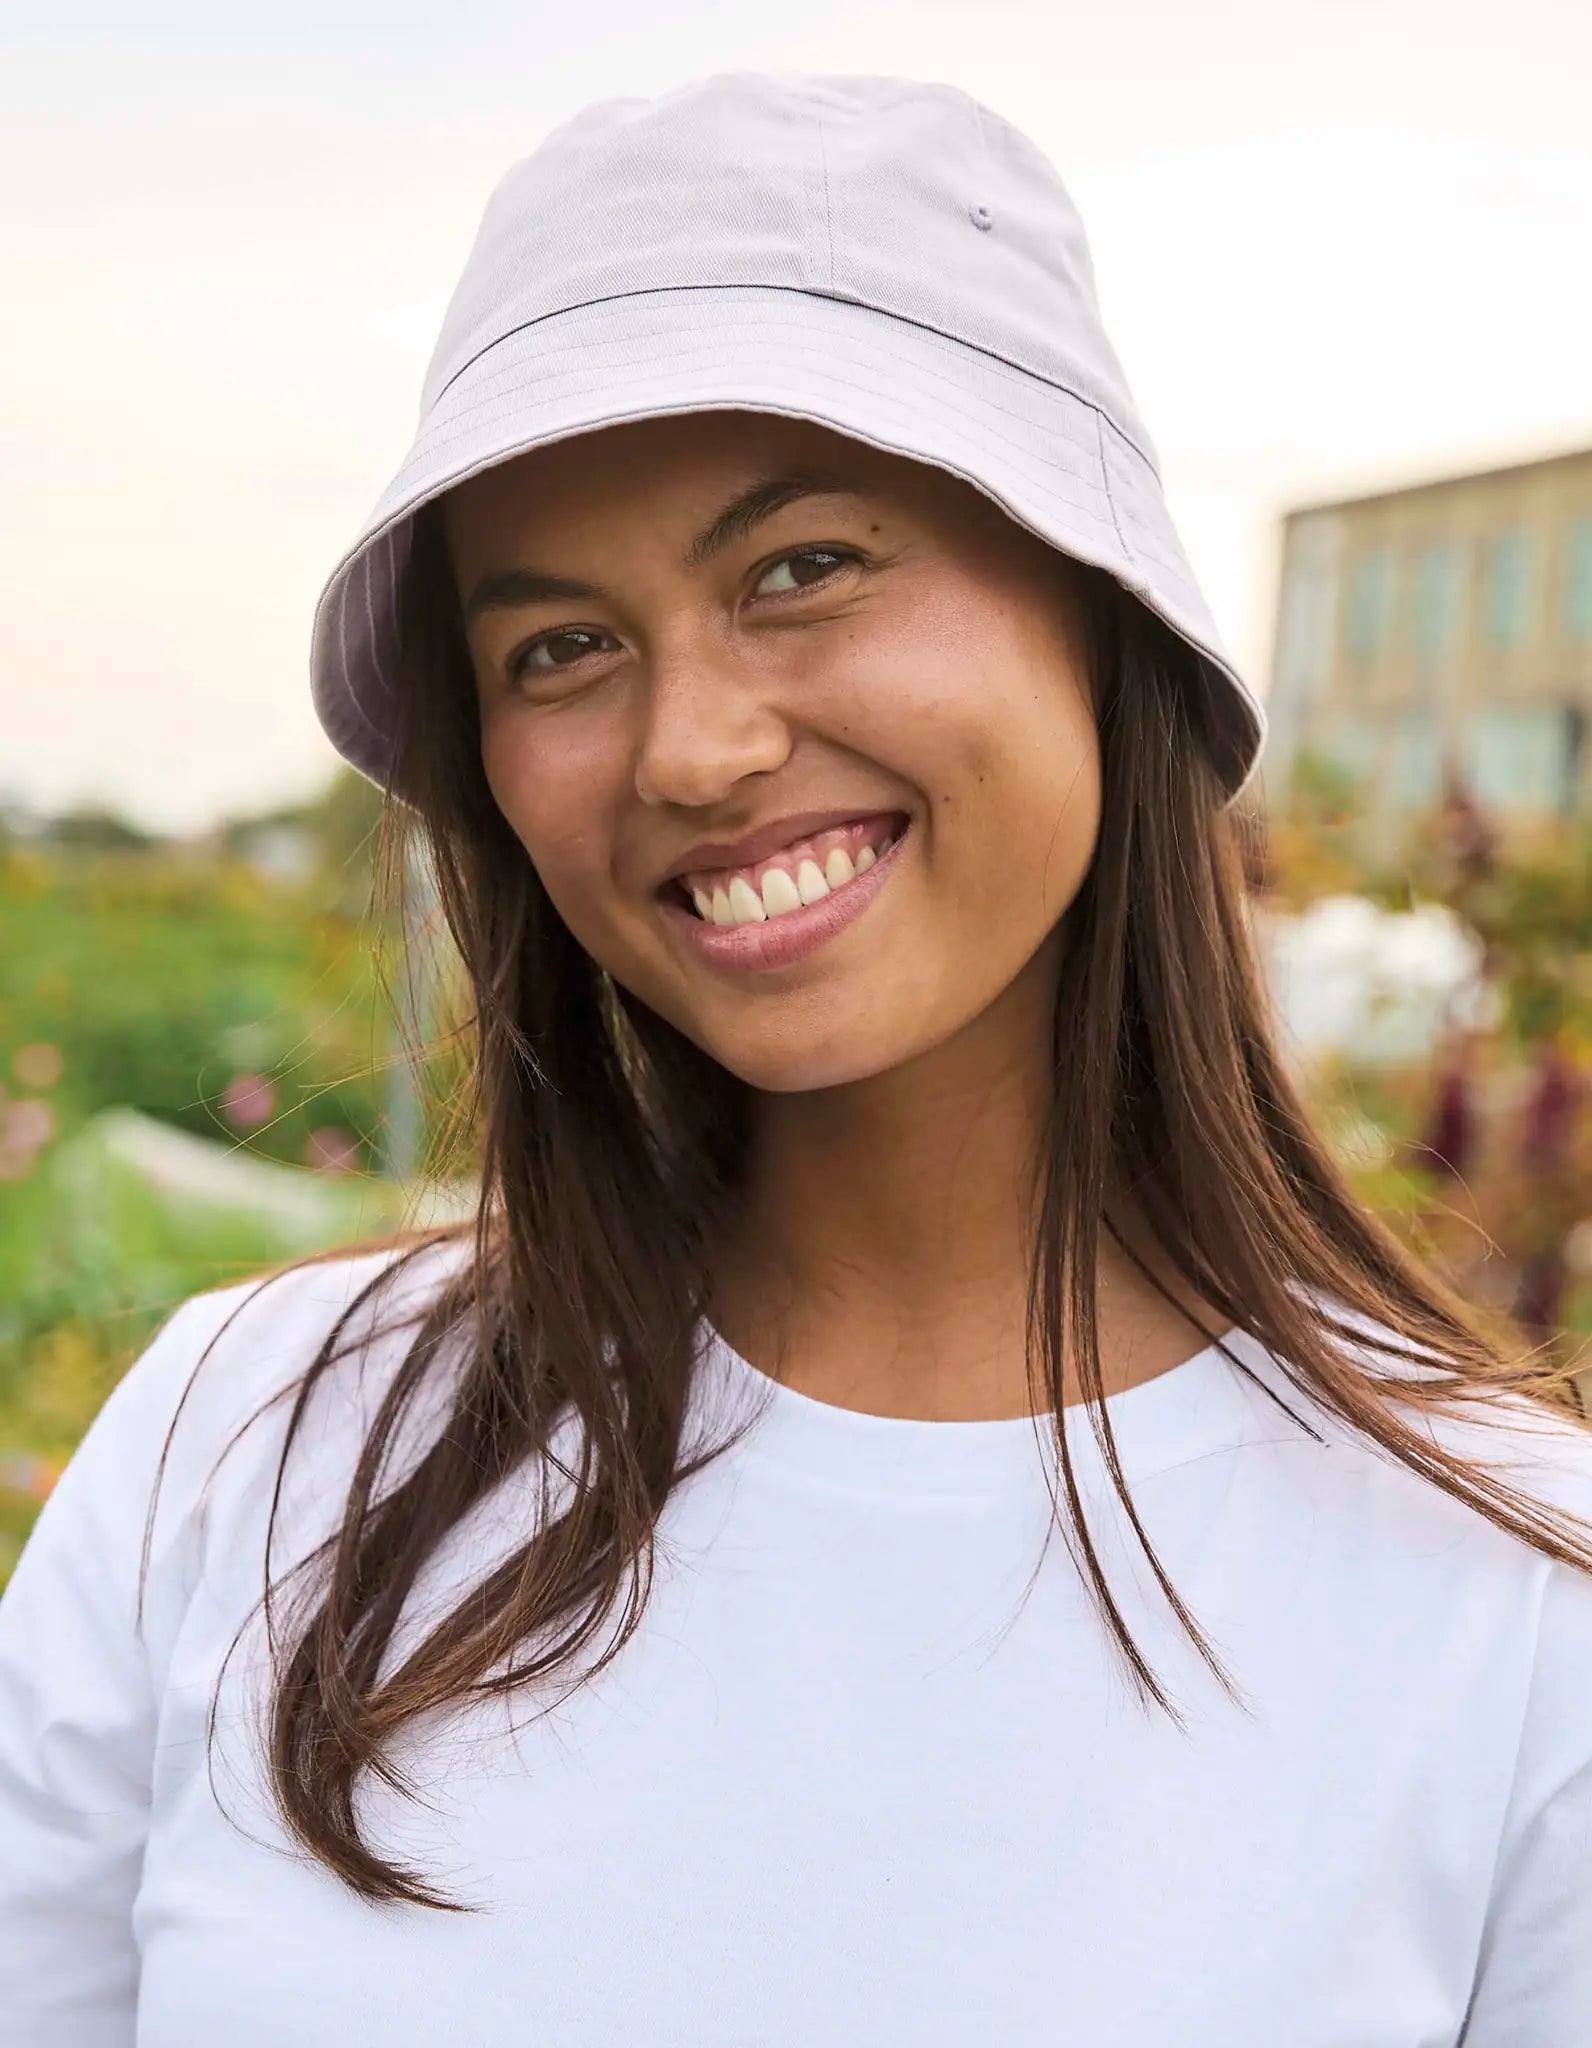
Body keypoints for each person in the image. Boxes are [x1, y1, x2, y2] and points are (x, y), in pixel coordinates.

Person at [3, 72, 1590, 2047]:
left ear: (1101, 609)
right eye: (561, 648)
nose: (692, 747)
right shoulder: (239, 1449)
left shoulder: (1512, 1602)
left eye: (805, 567)